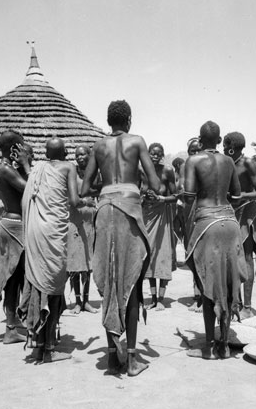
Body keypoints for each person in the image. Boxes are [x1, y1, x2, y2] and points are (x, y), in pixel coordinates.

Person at [81, 100, 160, 376]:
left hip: (104, 209)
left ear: (108, 121)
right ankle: (134, 358)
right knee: (132, 280)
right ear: (128, 120)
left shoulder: (98, 146)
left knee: (112, 281)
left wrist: (106, 191)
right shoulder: (137, 141)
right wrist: (137, 188)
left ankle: (114, 358)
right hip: (129, 210)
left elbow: (83, 188)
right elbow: (156, 183)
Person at [184, 121, 247, 359]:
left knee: (207, 284)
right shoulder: (229, 161)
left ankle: (210, 346)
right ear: (219, 141)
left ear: (200, 141)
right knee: (229, 284)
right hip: (230, 224)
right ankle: (225, 345)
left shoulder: (193, 161)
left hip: (206, 224)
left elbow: (189, 196)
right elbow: (237, 196)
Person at [17, 137, 80, 363]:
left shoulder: (38, 169)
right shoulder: (68, 167)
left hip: (35, 231)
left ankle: (39, 343)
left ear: (46, 153)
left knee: (37, 283)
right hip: (54, 233)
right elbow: (73, 200)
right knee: (53, 285)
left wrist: (25, 165)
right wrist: (88, 199)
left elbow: (30, 184)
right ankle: (48, 349)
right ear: (64, 153)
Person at [0, 129, 31, 344]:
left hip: (15, 225)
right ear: (14, 149)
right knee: (12, 277)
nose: (23, 150)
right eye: (21, 147)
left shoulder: (7, 169)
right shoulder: (5, 170)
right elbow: (30, 188)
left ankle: (14, 321)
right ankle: (10, 328)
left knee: (18, 275)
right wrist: (26, 165)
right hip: (13, 227)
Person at [223, 132, 256, 319]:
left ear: (232, 146)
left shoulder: (247, 163)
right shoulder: (225, 164)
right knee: (232, 260)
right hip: (231, 214)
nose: (223, 148)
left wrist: (242, 197)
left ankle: (247, 307)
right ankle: (236, 303)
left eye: (225, 145)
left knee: (246, 258)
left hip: (248, 213)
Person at [140, 143, 177, 311]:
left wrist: (161, 198)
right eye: (152, 153)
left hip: (162, 216)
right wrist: (143, 196)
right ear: (147, 154)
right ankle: (152, 297)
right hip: (146, 215)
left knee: (162, 254)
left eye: (158, 154)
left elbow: (175, 196)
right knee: (149, 254)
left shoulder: (167, 171)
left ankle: (161, 299)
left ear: (162, 155)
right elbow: (135, 191)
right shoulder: (141, 170)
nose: (155, 156)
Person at [67, 144, 100, 314]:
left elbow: (100, 191)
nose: (79, 157)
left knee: (87, 263)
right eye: (77, 155)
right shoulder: (72, 174)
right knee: (75, 262)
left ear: (89, 155)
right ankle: (77, 301)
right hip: (74, 220)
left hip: (90, 222)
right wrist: (85, 200)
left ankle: (86, 300)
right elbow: (71, 197)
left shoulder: (96, 173)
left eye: (82, 154)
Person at [177, 137, 204, 313]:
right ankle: (197, 296)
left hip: (203, 210)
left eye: (197, 150)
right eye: (191, 151)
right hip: (189, 212)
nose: (194, 153)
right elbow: (180, 188)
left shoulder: (207, 166)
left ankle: (205, 296)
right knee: (193, 254)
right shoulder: (184, 167)